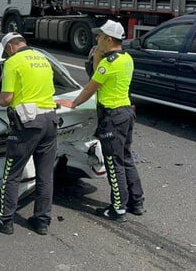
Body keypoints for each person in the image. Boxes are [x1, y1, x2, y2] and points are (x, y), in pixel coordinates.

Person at [56, 20, 144, 222]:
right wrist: (97, 55)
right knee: (126, 158)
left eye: (100, 36)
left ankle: (118, 209)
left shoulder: (109, 63)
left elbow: (91, 87)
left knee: (113, 164)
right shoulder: (126, 58)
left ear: (109, 39)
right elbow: (100, 77)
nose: (97, 38)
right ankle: (136, 202)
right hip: (126, 113)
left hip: (112, 117)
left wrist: (73, 104)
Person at [0, 32, 58, 235]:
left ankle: (5, 220)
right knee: (45, 174)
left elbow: (6, 98)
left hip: (27, 123)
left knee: (11, 173)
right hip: (50, 120)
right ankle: (42, 221)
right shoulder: (42, 58)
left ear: (9, 48)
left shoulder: (13, 62)